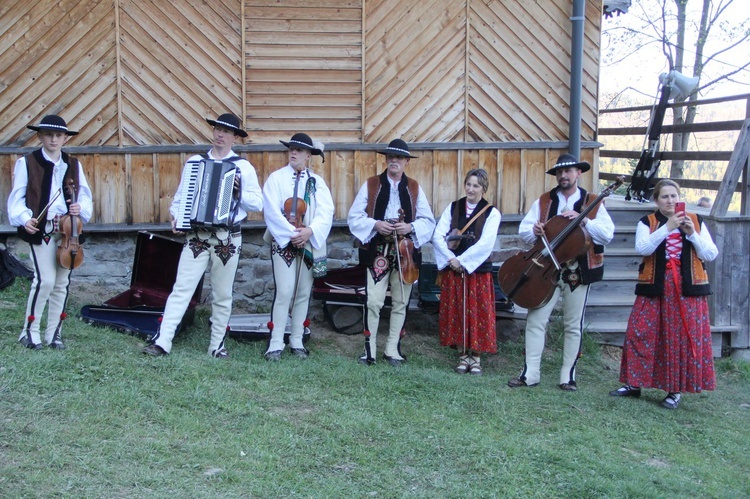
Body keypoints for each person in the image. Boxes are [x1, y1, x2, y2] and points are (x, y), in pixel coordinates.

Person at [143, 113, 262, 358]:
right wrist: (176, 216)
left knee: (222, 293)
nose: (220, 134)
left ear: (235, 138)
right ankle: (162, 341)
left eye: (227, 132)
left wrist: (239, 194)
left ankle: (216, 345)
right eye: (218, 129)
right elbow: (181, 197)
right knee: (181, 288)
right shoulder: (195, 162)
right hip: (196, 235)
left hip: (226, 237)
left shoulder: (242, 167)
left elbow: (257, 203)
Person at [507, 153, 614, 390]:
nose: (563, 175)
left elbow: (607, 234)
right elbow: (524, 230)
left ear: (578, 173)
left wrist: (585, 221)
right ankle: (530, 373)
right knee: (536, 320)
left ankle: (568, 375)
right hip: (545, 268)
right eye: (559, 172)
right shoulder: (545, 201)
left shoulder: (593, 201)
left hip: (578, 269)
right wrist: (534, 230)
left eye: (568, 171)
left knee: (573, 324)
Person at [610, 179, 718, 409]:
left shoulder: (696, 221)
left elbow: (710, 254)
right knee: (639, 331)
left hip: (687, 290)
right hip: (655, 285)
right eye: (665, 197)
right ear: (656, 201)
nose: (670, 200)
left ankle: (674, 390)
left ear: (680, 197)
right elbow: (643, 248)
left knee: (677, 339)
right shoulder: (647, 222)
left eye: (674, 196)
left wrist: (691, 234)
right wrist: (667, 228)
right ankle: (634, 383)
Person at [348, 139, 436, 367]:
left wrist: (410, 227)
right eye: (390, 157)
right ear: (386, 160)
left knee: (401, 301)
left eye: (399, 157)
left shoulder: (414, 187)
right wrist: (375, 225)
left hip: (405, 252)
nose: (394, 160)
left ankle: (393, 349)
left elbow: (428, 220)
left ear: (406, 161)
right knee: (374, 300)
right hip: (378, 248)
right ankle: (369, 350)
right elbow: (354, 216)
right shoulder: (371, 184)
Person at [8, 115, 93, 350]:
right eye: (48, 135)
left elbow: (84, 196)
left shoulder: (74, 164)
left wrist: (80, 208)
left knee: (62, 283)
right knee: (45, 280)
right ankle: (29, 331)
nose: (53, 139)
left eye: (58, 135)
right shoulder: (27, 162)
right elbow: (17, 198)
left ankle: (54, 333)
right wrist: (25, 219)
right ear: (40, 136)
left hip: (68, 231)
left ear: (65, 138)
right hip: (43, 230)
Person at [262, 133, 334, 361]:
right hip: (285, 242)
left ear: (309, 156)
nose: (293, 153)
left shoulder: (317, 183)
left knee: (303, 293)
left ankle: (296, 340)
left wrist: (309, 232)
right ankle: (275, 343)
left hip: (307, 242)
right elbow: (271, 211)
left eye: (299, 150)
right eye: (291, 148)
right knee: (284, 291)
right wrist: (291, 234)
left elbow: (326, 212)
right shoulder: (276, 178)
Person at [432, 168, 501, 375]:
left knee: (478, 311)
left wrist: (462, 261)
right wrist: (450, 259)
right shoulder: (453, 208)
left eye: (476, 186)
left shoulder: (492, 213)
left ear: (484, 188)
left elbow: (486, 244)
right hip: (454, 268)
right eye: (468, 184)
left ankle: (476, 357)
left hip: (477, 271)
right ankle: (463, 355)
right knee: (458, 311)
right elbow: (438, 235)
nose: (471, 189)